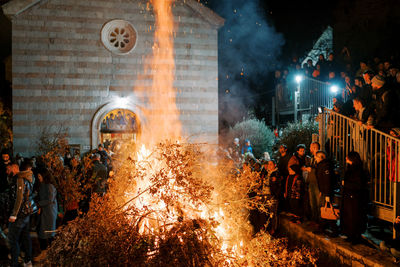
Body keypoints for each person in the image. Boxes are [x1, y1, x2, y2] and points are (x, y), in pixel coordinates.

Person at [8, 161, 36, 267]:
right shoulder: (26, 179)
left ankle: (14, 263)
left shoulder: (19, 179)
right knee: (25, 237)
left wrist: (14, 214)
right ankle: (28, 261)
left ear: (15, 168)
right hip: (26, 214)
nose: (7, 171)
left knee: (12, 239)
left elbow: (19, 198)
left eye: (8, 169)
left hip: (20, 215)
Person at [340, 151, 368, 244]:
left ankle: (354, 236)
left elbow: (358, 185)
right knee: (349, 216)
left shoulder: (357, 171)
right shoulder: (351, 169)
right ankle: (350, 235)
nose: (345, 158)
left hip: (354, 198)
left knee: (354, 217)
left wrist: (346, 184)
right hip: (350, 197)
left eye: (347, 157)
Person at [315, 151, 338, 236]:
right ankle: (323, 227)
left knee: (327, 210)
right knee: (323, 209)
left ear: (321, 157)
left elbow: (327, 181)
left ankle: (333, 229)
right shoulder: (322, 165)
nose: (315, 158)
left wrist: (327, 194)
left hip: (326, 192)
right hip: (324, 191)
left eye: (317, 156)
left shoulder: (325, 166)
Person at [36, 168, 58, 252]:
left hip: (49, 212)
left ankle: (50, 252)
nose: (38, 177)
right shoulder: (42, 184)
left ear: (44, 176)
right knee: (43, 232)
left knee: (49, 233)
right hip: (45, 211)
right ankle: (45, 251)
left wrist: (38, 204)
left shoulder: (49, 186)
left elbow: (50, 199)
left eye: (39, 176)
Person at [304, 142, 321, 222]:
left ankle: (319, 221)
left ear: (314, 148)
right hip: (311, 182)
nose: (309, 149)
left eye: (310, 147)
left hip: (317, 183)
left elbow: (320, 169)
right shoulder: (312, 158)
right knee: (312, 202)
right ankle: (314, 219)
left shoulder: (320, 157)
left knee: (318, 203)